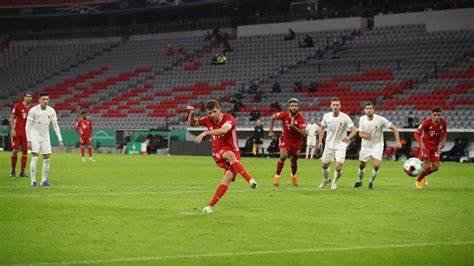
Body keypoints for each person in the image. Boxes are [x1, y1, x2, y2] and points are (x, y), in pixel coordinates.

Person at [187, 100, 257, 214]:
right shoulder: (207, 120)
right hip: (218, 152)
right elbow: (192, 123)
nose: (212, 115)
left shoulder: (229, 119)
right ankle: (250, 180)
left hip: (234, 152)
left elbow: (223, 130)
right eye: (210, 113)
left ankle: (210, 206)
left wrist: (206, 133)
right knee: (229, 155)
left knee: (227, 178)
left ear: (219, 109)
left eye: (214, 112)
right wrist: (192, 113)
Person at [353, 102, 402, 189]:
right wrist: (366, 136)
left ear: (373, 110)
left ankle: (371, 181)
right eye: (367, 109)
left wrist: (398, 141)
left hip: (377, 145)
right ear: (364, 110)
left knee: (376, 165)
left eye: (371, 108)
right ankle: (360, 181)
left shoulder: (380, 119)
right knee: (361, 165)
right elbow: (360, 134)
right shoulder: (362, 119)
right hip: (365, 146)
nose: (369, 110)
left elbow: (394, 128)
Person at [318, 97, 357, 190]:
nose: (335, 106)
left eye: (337, 105)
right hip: (329, 144)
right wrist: (320, 141)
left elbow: (354, 130)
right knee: (324, 165)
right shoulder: (326, 116)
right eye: (334, 105)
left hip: (341, 145)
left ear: (340, 106)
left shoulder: (345, 117)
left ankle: (334, 182)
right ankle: (326, 179)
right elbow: (322, 128)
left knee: (338, 167)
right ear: (331, 106)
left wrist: (348, 137)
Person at [26, 92, 64, 187]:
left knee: (47, 158)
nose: (45, 101)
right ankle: (33, 181)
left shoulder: (51, 111)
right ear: (39, 100)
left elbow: (55, 125)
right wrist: (28, 140)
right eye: (43, 99)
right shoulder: (33, 110)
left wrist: (60, 139)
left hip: (45, 136)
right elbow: (28, 126)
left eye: (47, 99)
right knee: (35, 157)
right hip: (34, 136)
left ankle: (44, 180)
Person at [269, 98, 307, 186]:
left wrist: (294, 127)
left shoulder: (301, 118)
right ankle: (277, 176)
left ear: (298, 107)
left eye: (296, 106)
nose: (294, 107)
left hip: (296, 143)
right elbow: (272, 117)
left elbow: (304, 134)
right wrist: (270, 131)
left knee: (294, 162)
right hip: (285, 139)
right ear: (289, 107)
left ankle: (293, 175)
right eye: (292, 106)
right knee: (283, 156)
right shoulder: (284, 115)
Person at [413, 107, 447, 188]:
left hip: (435, 147)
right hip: (425, 146)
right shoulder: (426, 122)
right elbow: (416, 134)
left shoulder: (443, 122)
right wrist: (421, 143)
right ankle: (418, 180)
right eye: (435, 115)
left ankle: (422, 176)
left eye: (438, 115)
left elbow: (445, 131)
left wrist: (443, 141)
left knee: (436, 168)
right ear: (432, 115)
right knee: (427, 167)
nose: (437, 117)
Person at [10, 91, 33, 177]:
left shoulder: (32, 108)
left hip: (27, 133)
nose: (29, 98)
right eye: (27, 96)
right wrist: (12, 129)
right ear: (24, 97)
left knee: (25, 151)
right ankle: (13, 170)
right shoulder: (18, 106)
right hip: (17, 132)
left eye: (30, 96)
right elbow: (11, 118)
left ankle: (22, 172)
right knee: (15, 151)